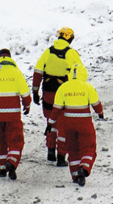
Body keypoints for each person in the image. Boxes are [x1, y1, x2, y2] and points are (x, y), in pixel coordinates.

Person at [32, 28, 84, 167]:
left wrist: (35, 91)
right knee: (63, 125)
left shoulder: (48, 52)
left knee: (51, 120)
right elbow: (80, 74)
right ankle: (61, 156)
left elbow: (38, 72)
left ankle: (50, 149)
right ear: (70, 39)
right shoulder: (72, 54)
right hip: (65, 94)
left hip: (48, 92)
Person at [0, 49, 31, 180]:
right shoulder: (16, 73)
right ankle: (12, 162)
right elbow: (26, 94)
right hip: (13, 115)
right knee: (16, 140)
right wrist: (27, 105)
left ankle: (2, 169)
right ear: (10, 57)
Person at [53, 64, 105, 187]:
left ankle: (76, 175)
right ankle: (84, 167)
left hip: (68, 124)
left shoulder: (63, 87)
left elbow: (56, 109)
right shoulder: (88, 87)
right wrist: (100, 113)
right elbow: (96, 104)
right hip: (84, 123)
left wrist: (50, 123)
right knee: (88, 146)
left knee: (73, 149)